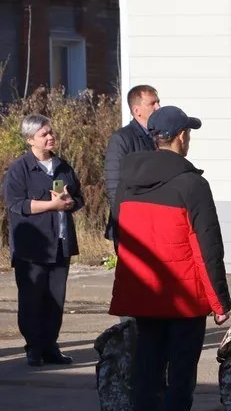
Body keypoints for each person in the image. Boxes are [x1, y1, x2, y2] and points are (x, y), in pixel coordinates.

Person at [108, 106, 231, 411]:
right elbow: (207, 249)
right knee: (179, 382)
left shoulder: (127, 182)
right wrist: (219, 303)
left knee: (145, 378)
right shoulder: (191, 185)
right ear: (181, 137)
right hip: (182, 299)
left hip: (143, 294)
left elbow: (119, 236)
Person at [3, 115, 84, 367]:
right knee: (32, 300)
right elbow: (16, 204)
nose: (50, 137)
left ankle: (51, 347)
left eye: (51, 132)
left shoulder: (62, 166)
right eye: (44, 134)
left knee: (55, 300)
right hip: (32, 247)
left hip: (60, 243)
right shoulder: (20, 169)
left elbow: (78, 198)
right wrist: (51, 205)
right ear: (30, 140)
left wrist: (70, 203)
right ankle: (34, 348)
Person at [104, 85, 160, 248]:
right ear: (137, 110)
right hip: (131, 225)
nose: (158, 107)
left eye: (158, 102)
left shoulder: (158, 136)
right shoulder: (122, 139)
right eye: (152, 103)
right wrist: (127, 222)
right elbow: (114, 186)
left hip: (156, 221)